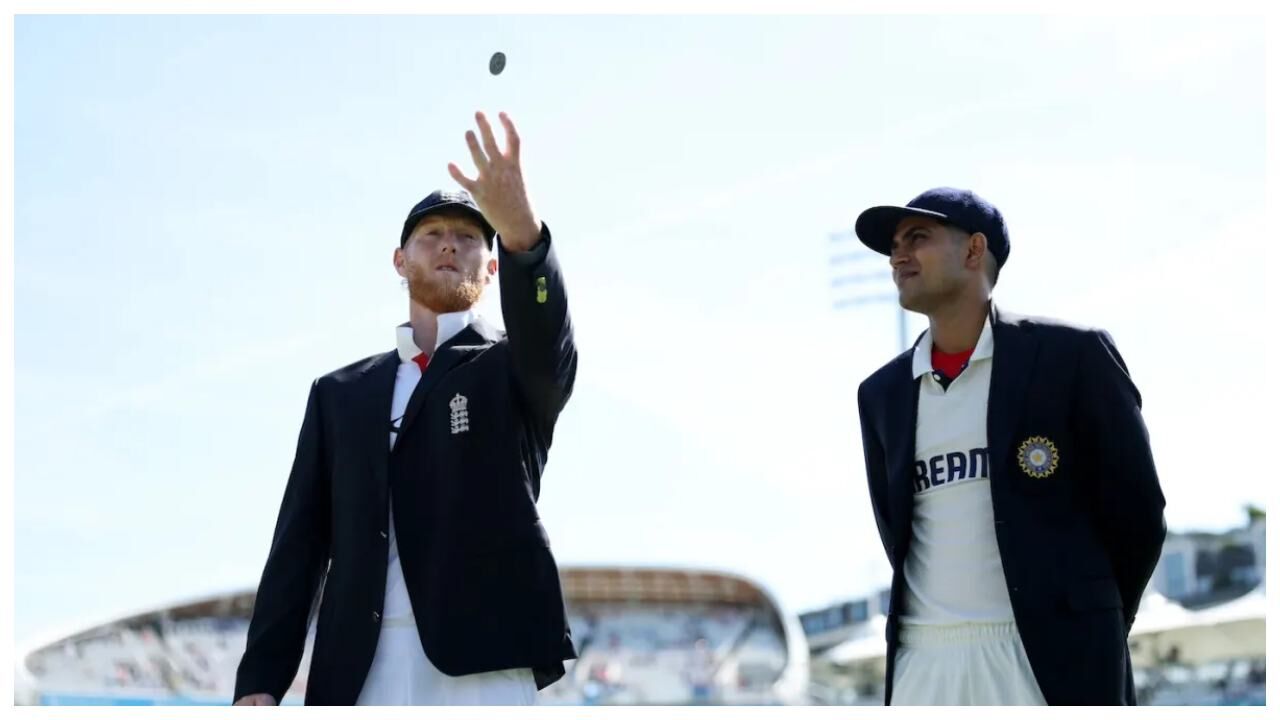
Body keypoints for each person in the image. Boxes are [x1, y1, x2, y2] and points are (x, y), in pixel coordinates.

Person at [233, 111, 578, 705]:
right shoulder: (339, 394)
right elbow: (299, 546)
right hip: (358, 673)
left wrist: (524, 233)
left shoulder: (514, 369)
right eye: (432, 233)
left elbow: (550, 339)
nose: (449, 243)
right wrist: (261, 680)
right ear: (400, 260)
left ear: (493, 266)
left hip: (485, 667)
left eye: (469, 236)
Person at [854, 187, 1166, 705]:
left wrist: (1093, 622)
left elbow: (1138, 515)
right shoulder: (881, 394)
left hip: (1046, 656)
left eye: (918, 237)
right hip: (924, 660)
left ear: (974, 250)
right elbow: (896, 533)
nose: (898, 257)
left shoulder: (1073, 357)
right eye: (893, 246)